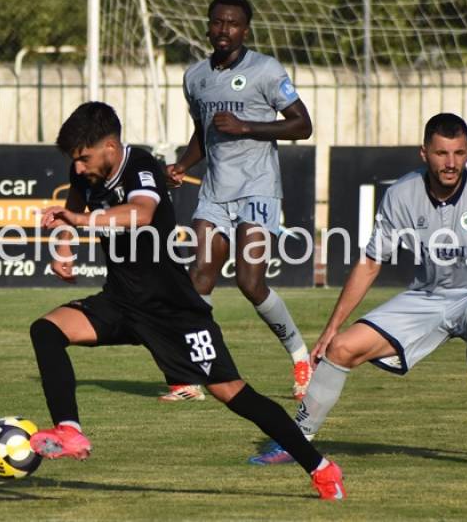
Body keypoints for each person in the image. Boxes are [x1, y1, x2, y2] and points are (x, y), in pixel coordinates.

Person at [27, 101, 345, 500]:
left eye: (83, 158)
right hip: (121, 303)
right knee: (46, 330)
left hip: (174, 312)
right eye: (73, 160)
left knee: (234, 394)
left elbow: (141, 213)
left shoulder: (140, 165)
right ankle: (69, 431)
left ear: (109, 147)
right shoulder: (85, 174)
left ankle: (321, 467)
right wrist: (64, 249)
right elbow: (71, 212)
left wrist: (80, 221)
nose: (77, 168)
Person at [250, 112, 467, 468]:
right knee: (340, 349)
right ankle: (296, 442)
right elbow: (370, 263)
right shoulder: (402, 194)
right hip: (426, 297)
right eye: (442, 153)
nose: (451, 163)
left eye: (459, 153)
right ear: (424, 153)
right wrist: (331, 329)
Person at [164, 0, 313, 402]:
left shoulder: (266, 70)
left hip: (258, 188)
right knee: (199, 278)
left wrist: (247, 127)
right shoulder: (195, 77)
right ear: (208, 27)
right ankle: (192, 377)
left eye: (232, 23)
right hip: (215, 191)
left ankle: (301, 357)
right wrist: (182, 165)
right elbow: (204, 132)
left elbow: (302, 125)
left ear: (245, 30)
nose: (224, 29)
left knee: (250, 281)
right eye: (217, 22)